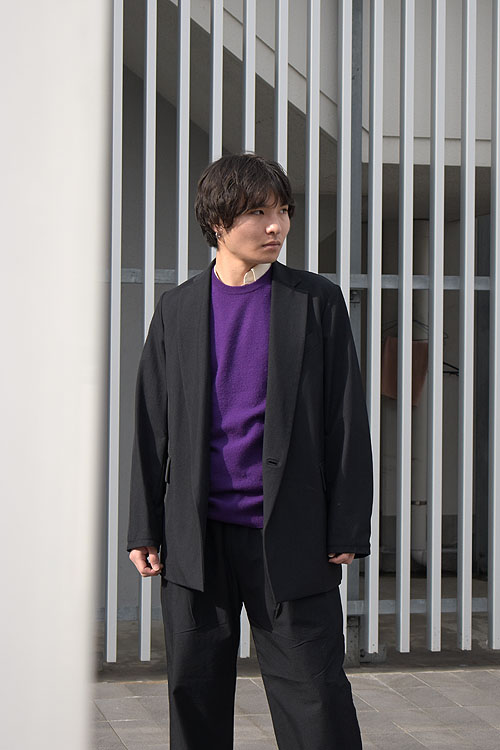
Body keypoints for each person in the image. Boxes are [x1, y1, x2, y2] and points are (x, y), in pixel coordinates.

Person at [127, 153, 373, 749]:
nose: (276, 225)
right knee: (195, 694)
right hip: (197, 537)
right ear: (218, 222)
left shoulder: (315, 301)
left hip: (290, 531)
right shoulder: (178, 308)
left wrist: (347, 523)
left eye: (282, 210)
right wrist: (144, 526)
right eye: (259, 212)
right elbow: (152, 424)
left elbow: (345, 418)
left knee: (315, 695)